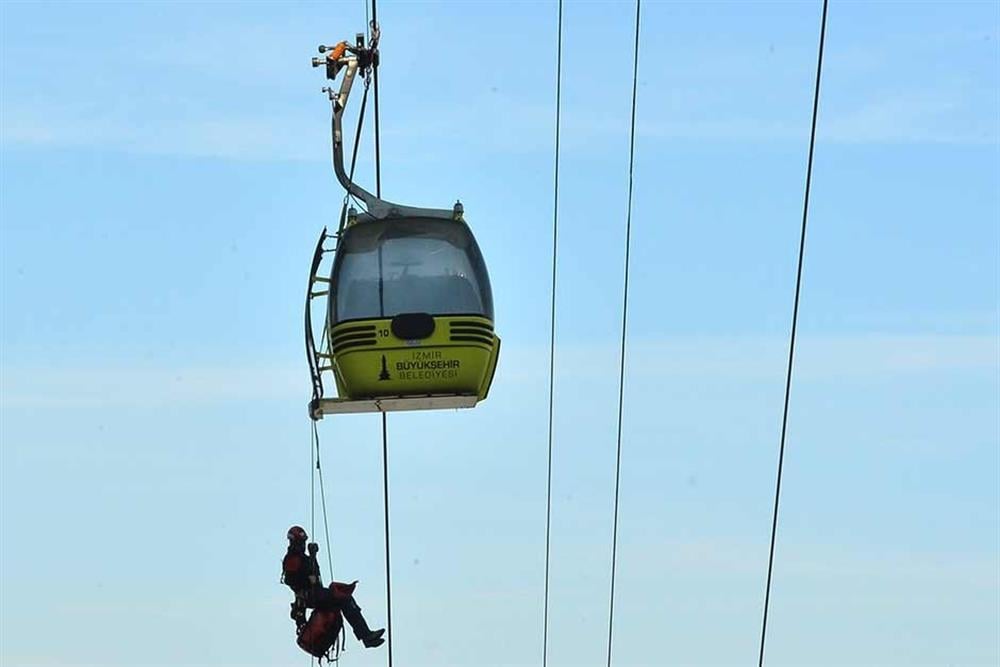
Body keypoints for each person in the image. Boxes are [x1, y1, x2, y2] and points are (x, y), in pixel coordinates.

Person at [282, 525, 386, 649]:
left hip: (314, 594)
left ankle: (366, 635)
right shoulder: (292, 559)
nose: (302, 545)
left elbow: (313, 576)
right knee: (344, 598)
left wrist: (312, 558)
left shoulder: (301, 558)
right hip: (309, 596)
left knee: (345, 598)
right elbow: (296, 580)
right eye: (301, 542)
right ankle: (366, 635)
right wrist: (312, 558)